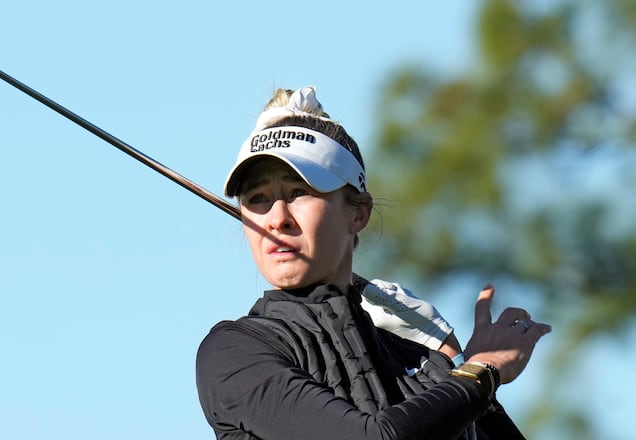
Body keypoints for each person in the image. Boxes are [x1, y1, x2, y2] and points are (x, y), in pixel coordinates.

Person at [196, 86, 551, 439]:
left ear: (358, 213)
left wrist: (449, 364)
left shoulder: (417, 360)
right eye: (258, 199)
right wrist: (479, 374)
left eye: (299, 192)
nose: (277, 218)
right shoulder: (234, 351)